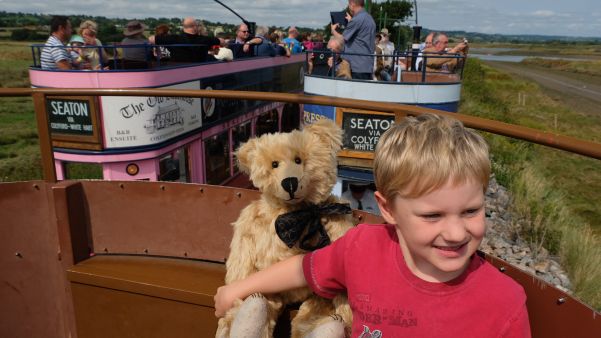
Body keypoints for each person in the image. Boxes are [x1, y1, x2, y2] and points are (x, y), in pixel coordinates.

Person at [214, 113, 531, 337]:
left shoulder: (503, 303)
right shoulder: (362, 248)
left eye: (471, 211)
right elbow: (304, 267)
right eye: (432, 216)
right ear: (388, 209)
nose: (456, 233)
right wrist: (237, 290)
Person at [330, 0, 376, 80]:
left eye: (349, 4)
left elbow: (341, 40)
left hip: (356, 66)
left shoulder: (357, 19)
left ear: (352, 4)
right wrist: (351, 22)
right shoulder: (370, 18)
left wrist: (333, 30)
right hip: (367, 66)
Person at [149, 17, 221, 63]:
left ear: (183, 27)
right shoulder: (205, 40)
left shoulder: (173, 39)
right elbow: (221, 43)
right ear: (195, 27)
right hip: (199, 69)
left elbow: (151, 39)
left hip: (173, 70)